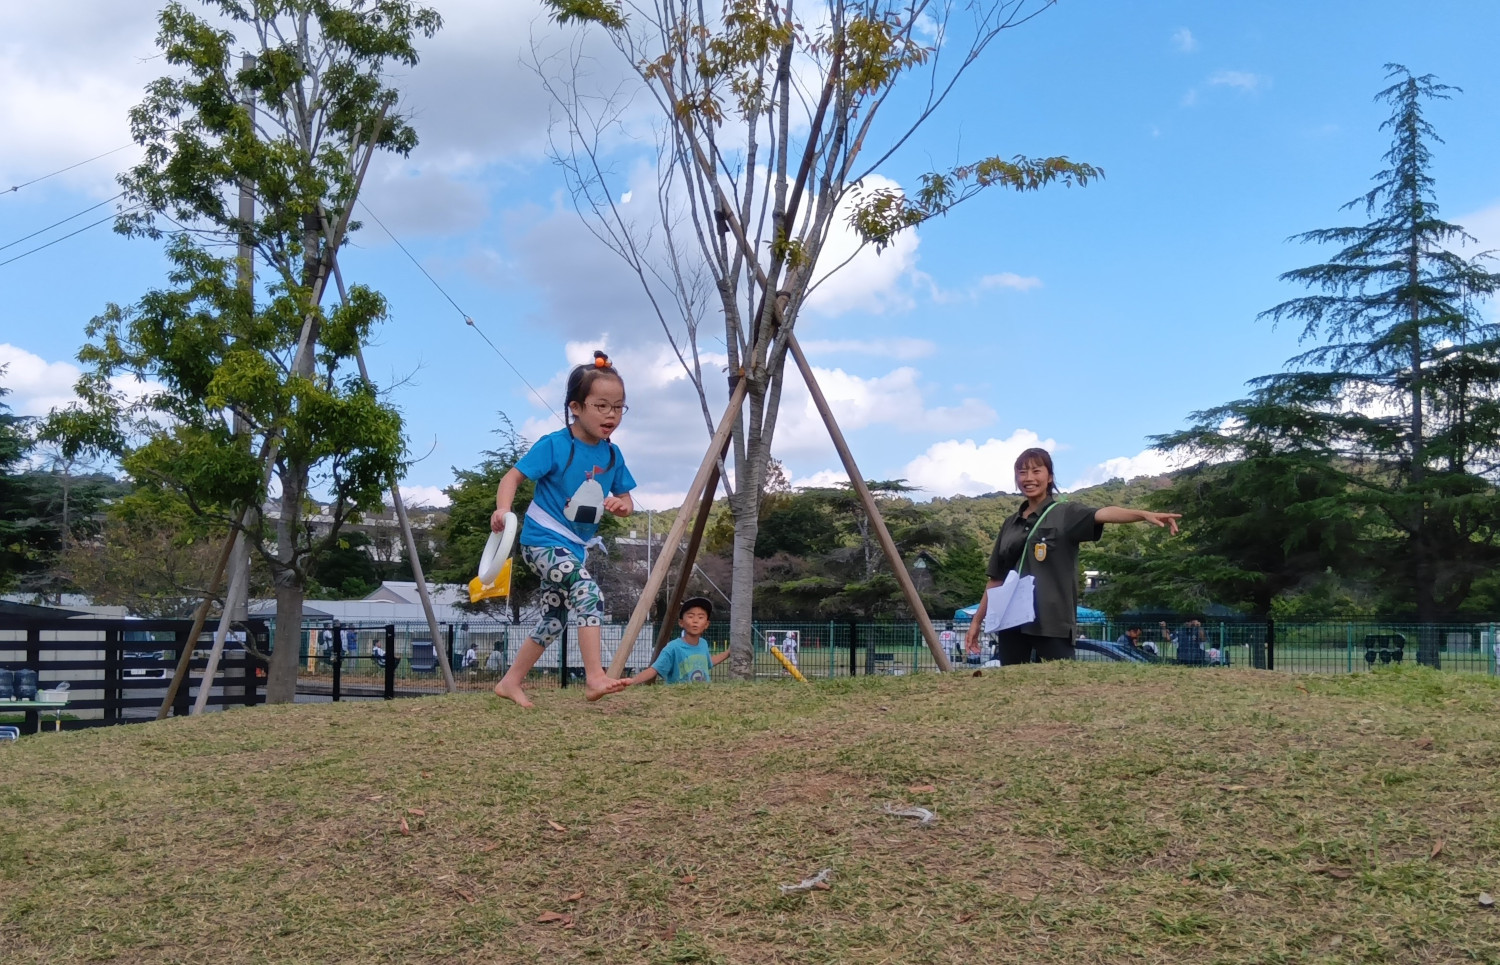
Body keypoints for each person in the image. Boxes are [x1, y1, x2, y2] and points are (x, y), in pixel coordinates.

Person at [490, 351, 637, 707]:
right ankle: (595, 677)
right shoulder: (555, 445)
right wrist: (503, 510)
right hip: (541, 540)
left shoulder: (613, 456)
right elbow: (512, 477)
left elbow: (628, 502)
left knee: (555, 618)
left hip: (573, 548)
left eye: (618, 407)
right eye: (601, 406)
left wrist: (621, 506)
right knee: (588, 594)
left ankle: (509, 682)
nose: (611, 415)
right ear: (575, 407)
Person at [965, 448, 1181, 666]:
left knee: (1061, 687)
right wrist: (977, 621)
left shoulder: (1065, 513)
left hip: (1052, 621)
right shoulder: (1010, 524)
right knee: (1013, 687)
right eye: (1022, 472)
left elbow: (1103, 513)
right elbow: (996, 578)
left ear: (1049, 477)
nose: (1028, 478)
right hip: (1011, 621)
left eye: (1036, 471)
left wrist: (1143, 514)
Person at [624, 597, 727, 686]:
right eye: (690, 616)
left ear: (706, 624)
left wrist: (728, 652)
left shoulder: (703, 643)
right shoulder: (673, 647)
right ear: (681, 622)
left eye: (701, 617)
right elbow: (654, 669)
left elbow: (708, 662)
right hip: (680, 699)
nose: (695, 621)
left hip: (702, 697)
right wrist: (631, 681)